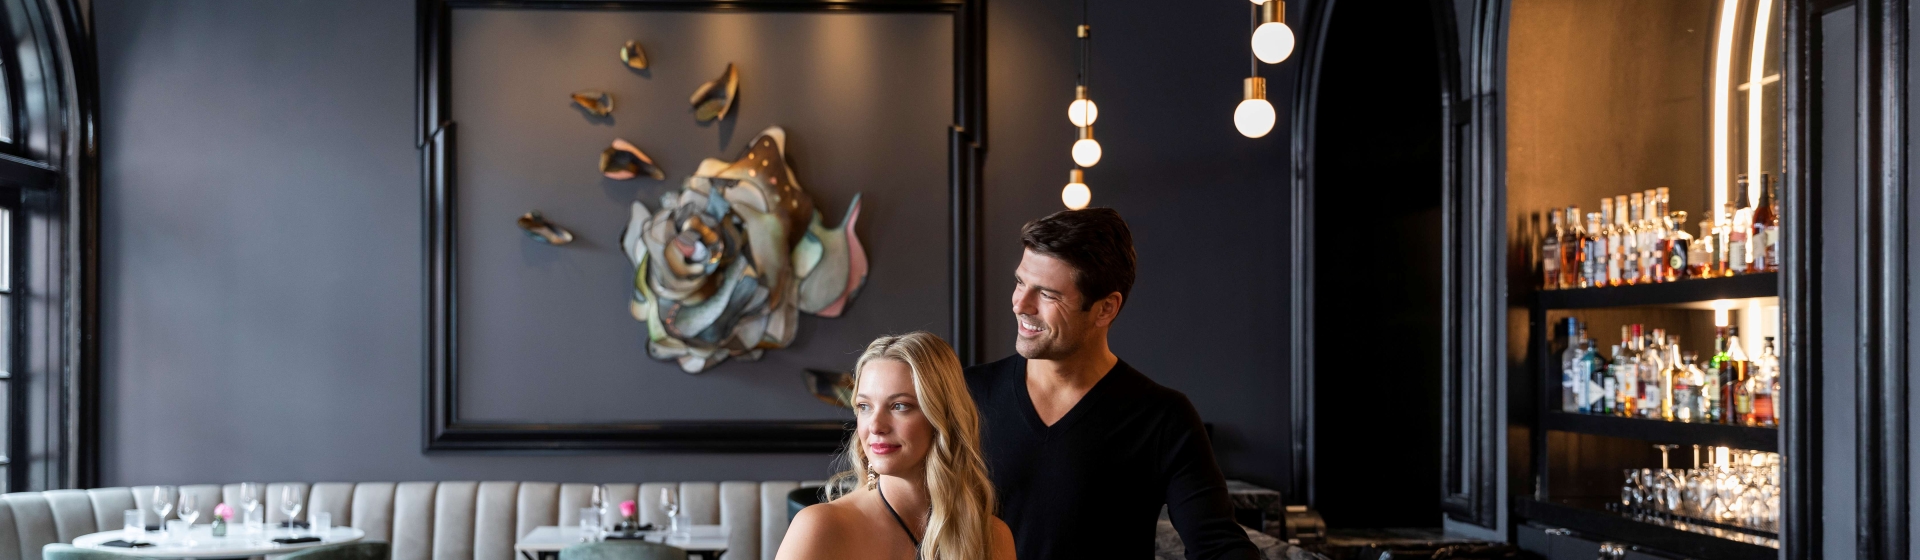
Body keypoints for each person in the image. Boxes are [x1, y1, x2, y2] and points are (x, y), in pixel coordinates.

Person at [967, 208, 1259, 560]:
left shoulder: (1164, 418)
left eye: (1047, 294)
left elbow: (1219, 547)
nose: (1020, 304)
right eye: (1020, 282)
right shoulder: (965, 393)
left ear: (1106, 309)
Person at [777, 331, 1017, 560]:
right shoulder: (820, 527)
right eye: (864, 406)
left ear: (942, 417)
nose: (876, 426)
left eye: (899, 406)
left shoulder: (993, 537)